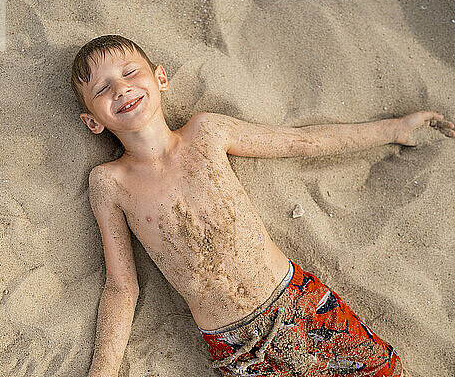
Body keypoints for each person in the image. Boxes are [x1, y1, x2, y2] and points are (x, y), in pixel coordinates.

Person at [70, 35, 454, 377]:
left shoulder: (206, 132)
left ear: (161, 78)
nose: (120, 88)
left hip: (297, 300)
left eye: (130, 72)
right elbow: (121, 287)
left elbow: (298, 143)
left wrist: (394, 129)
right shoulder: (109, 183)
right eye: (103, 88)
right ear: (93, 122)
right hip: (235, 347)